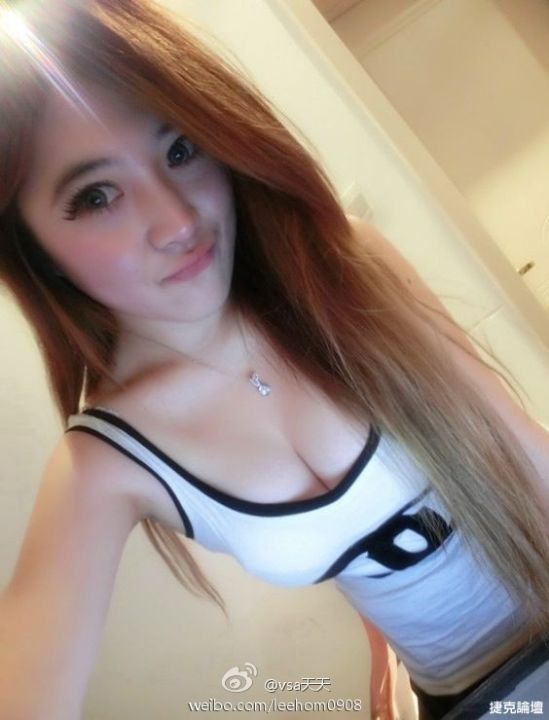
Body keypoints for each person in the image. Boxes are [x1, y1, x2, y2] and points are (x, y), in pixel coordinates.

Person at [0, 1, 548, 718]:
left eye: (180, 150)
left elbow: (524, 452)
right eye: (97, 196)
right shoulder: (104, 465)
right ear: (33, 248)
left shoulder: (346, 265)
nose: (178, 221)